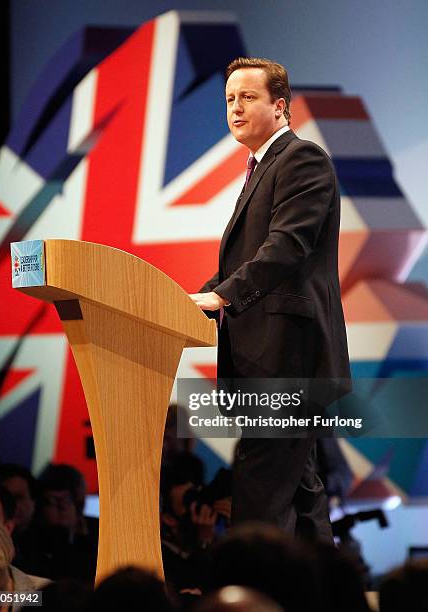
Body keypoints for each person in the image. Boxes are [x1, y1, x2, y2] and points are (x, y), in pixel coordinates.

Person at [190, 57, 350, 540]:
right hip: (271, 361)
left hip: (286, 359)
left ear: (280, 106)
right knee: (302, 503)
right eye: (229, 100)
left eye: (248, 98)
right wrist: (187, 300)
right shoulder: (261, 168)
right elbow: (242, 263)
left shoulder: (302, 159)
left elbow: (286, 246)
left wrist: (221, 296)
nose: (235, 109)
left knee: (259, 506)